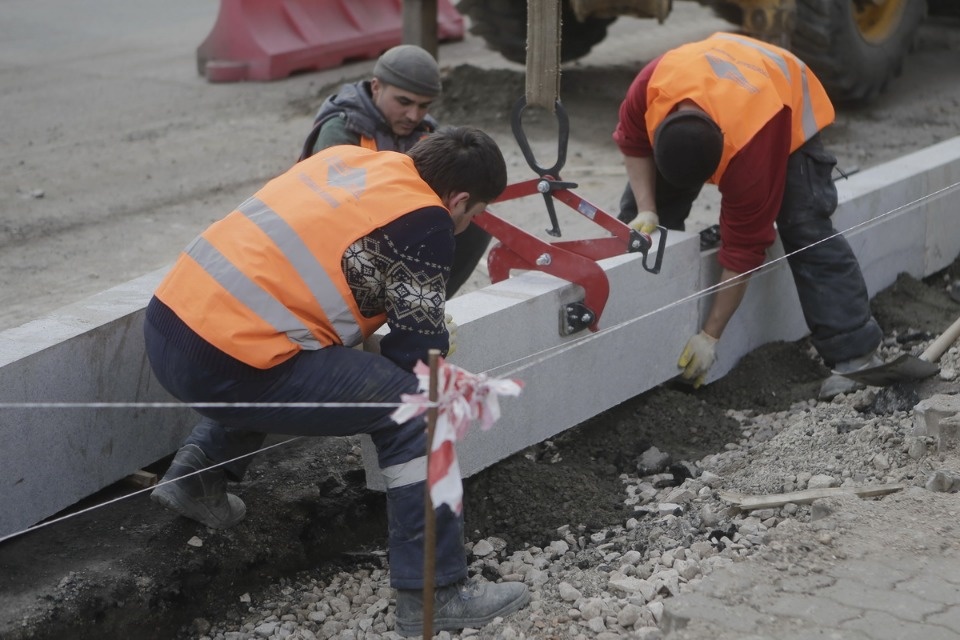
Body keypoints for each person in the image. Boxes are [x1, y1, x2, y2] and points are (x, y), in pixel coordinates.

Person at [144, 126, 529, 636]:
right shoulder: (426, 220)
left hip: (170, 327)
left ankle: (196, 478)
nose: (464, 228)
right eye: (472, 216)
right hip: (227, 362)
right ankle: (436, 595)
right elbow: (418, 355)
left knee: (294, 346)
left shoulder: (350, 160)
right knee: (416, 411)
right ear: (458, 200)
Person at [613, 32, 884, 400]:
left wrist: (709, 336)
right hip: (718, 73)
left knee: (805, 226)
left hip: (780, 101)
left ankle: (856, 355)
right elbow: (632, 144)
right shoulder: (650, 86)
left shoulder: (751, 149)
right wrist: (648, 207)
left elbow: (743, 250)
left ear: (724, 156)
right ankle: (635, 352)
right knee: (637, 224)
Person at [299, 44, 492, 299]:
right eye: (404, 102)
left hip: (388, 233)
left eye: (424, 106)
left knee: (473, 222)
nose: (413, 115)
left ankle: (426, 306)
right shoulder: (340, 129)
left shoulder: (425, 133)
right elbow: (336, 212)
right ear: (377, 87)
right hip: (333, 246)